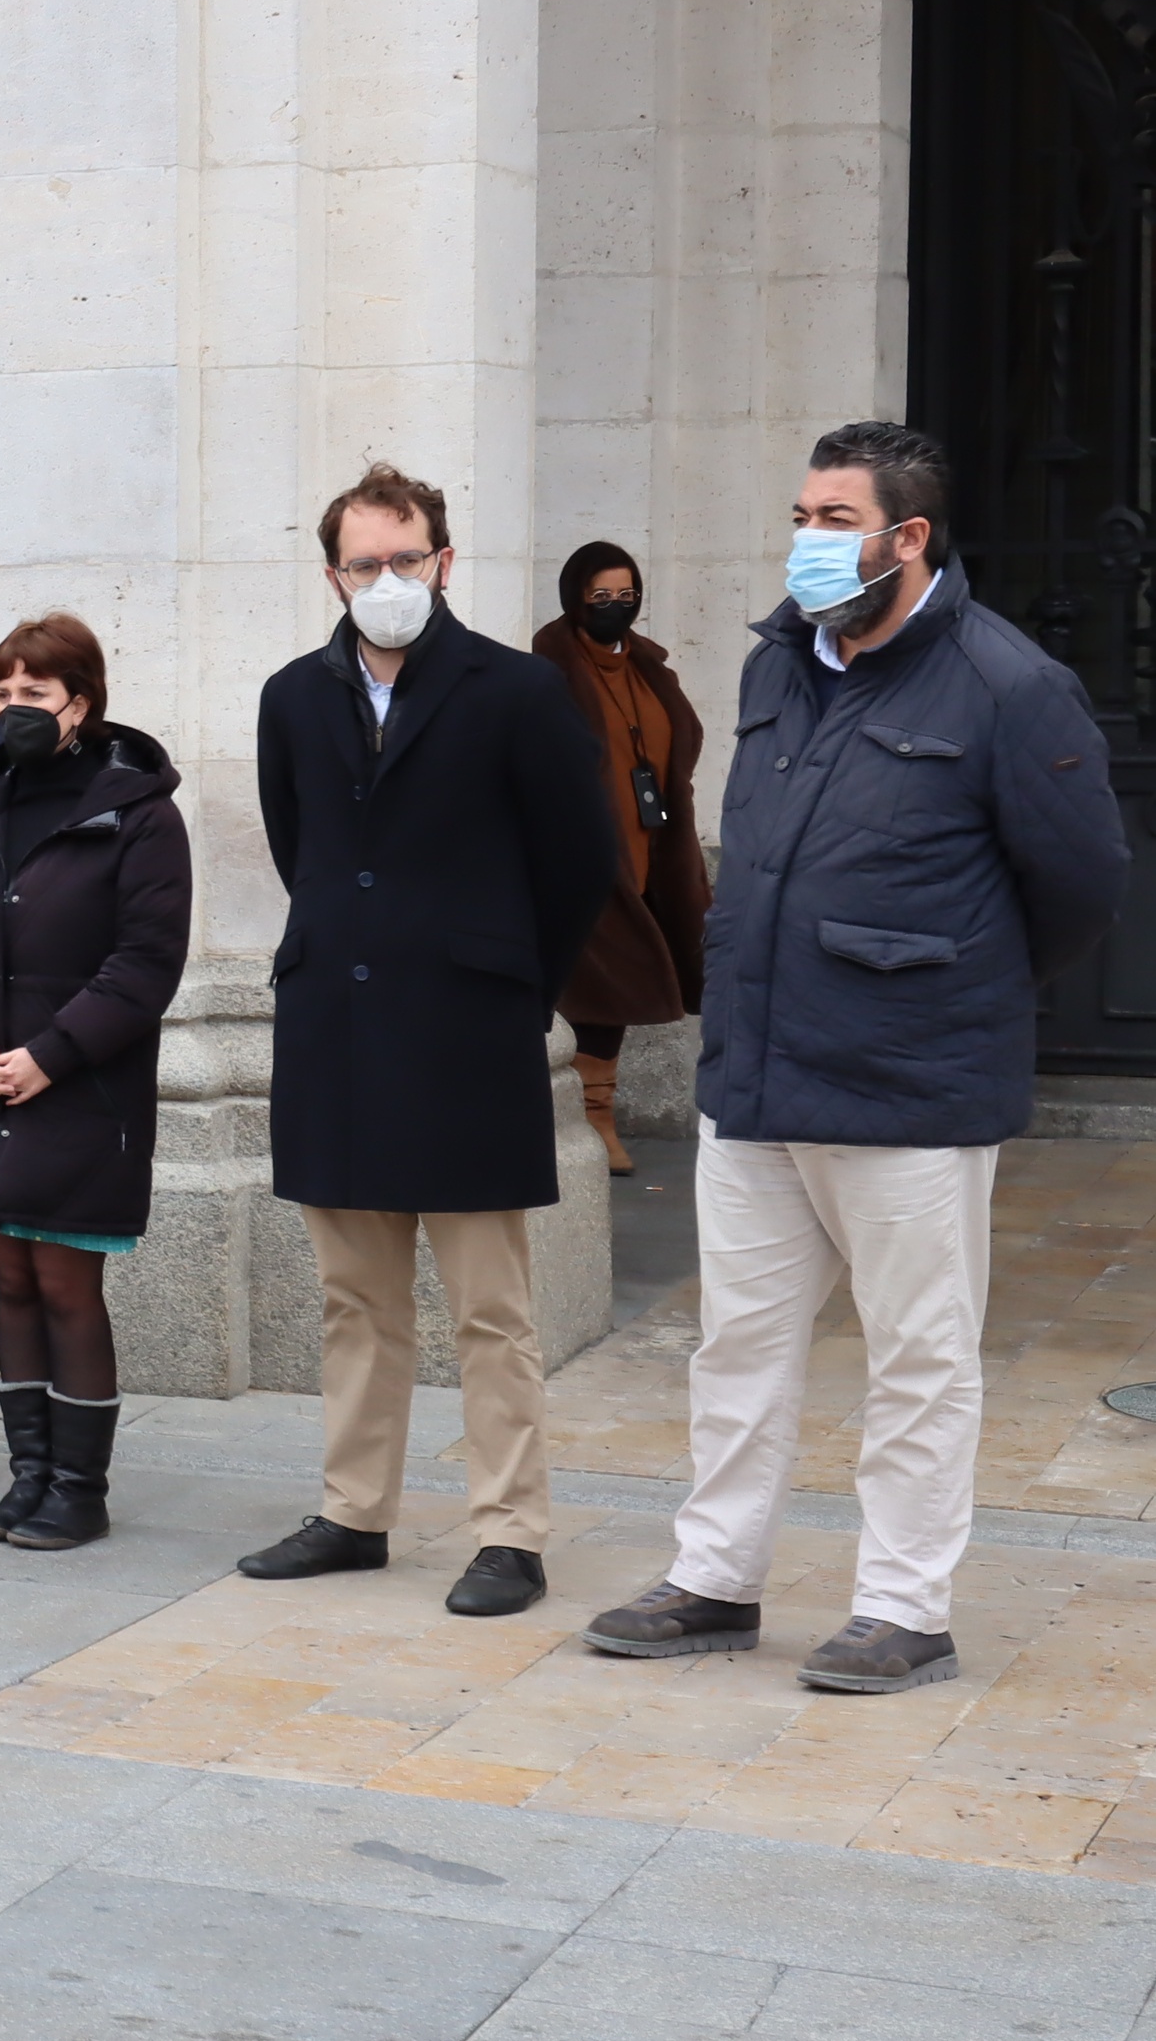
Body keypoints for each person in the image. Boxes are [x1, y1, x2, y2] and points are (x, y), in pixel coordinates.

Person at [582, 422, 1126, 1693]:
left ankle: (903, 1607)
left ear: (907, 536)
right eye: (802, 516)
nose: (808, 541)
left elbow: (1082, 884)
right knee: (737, 1345)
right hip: (757, 1075)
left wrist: (948, 981)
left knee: (918, 1358)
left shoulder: (1009, 683)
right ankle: (715, 1576)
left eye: (835, 520)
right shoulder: (777, 660)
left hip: (910, 1086)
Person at [244, 462, 619, 1618]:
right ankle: (355, 1510)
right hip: (337, 1032)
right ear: (333, 574)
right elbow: (300, 845)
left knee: (490, 1309)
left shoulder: (517, 690)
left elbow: (580, 856)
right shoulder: (293, 695)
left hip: (466, 1032)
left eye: (406, 558)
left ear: (444, 561)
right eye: (365, 563)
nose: (388, 579)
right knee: (354, 1300)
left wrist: (513, 980)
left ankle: (510, 1530)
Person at [0, 616, 189, 1551]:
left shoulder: (139, 814)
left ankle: (80, 1489)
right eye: (2, 693)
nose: (13, 708)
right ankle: (29, 1478)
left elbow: (144, 967)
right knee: (12, 1283)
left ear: (81, 704)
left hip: (78, 1093)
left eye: (34, 693)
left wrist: (48, 1057)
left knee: (66, 1285)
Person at [536, 542, 709, 1178]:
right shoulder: (548, 671)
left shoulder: (648, 668)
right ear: (575, 598)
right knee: (595, 985)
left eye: (627, 595)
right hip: (579, 856)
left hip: (652, 850)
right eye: (601, 596)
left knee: (619, 981)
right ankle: (587, 1117)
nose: (616, 606)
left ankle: (595, 1111)